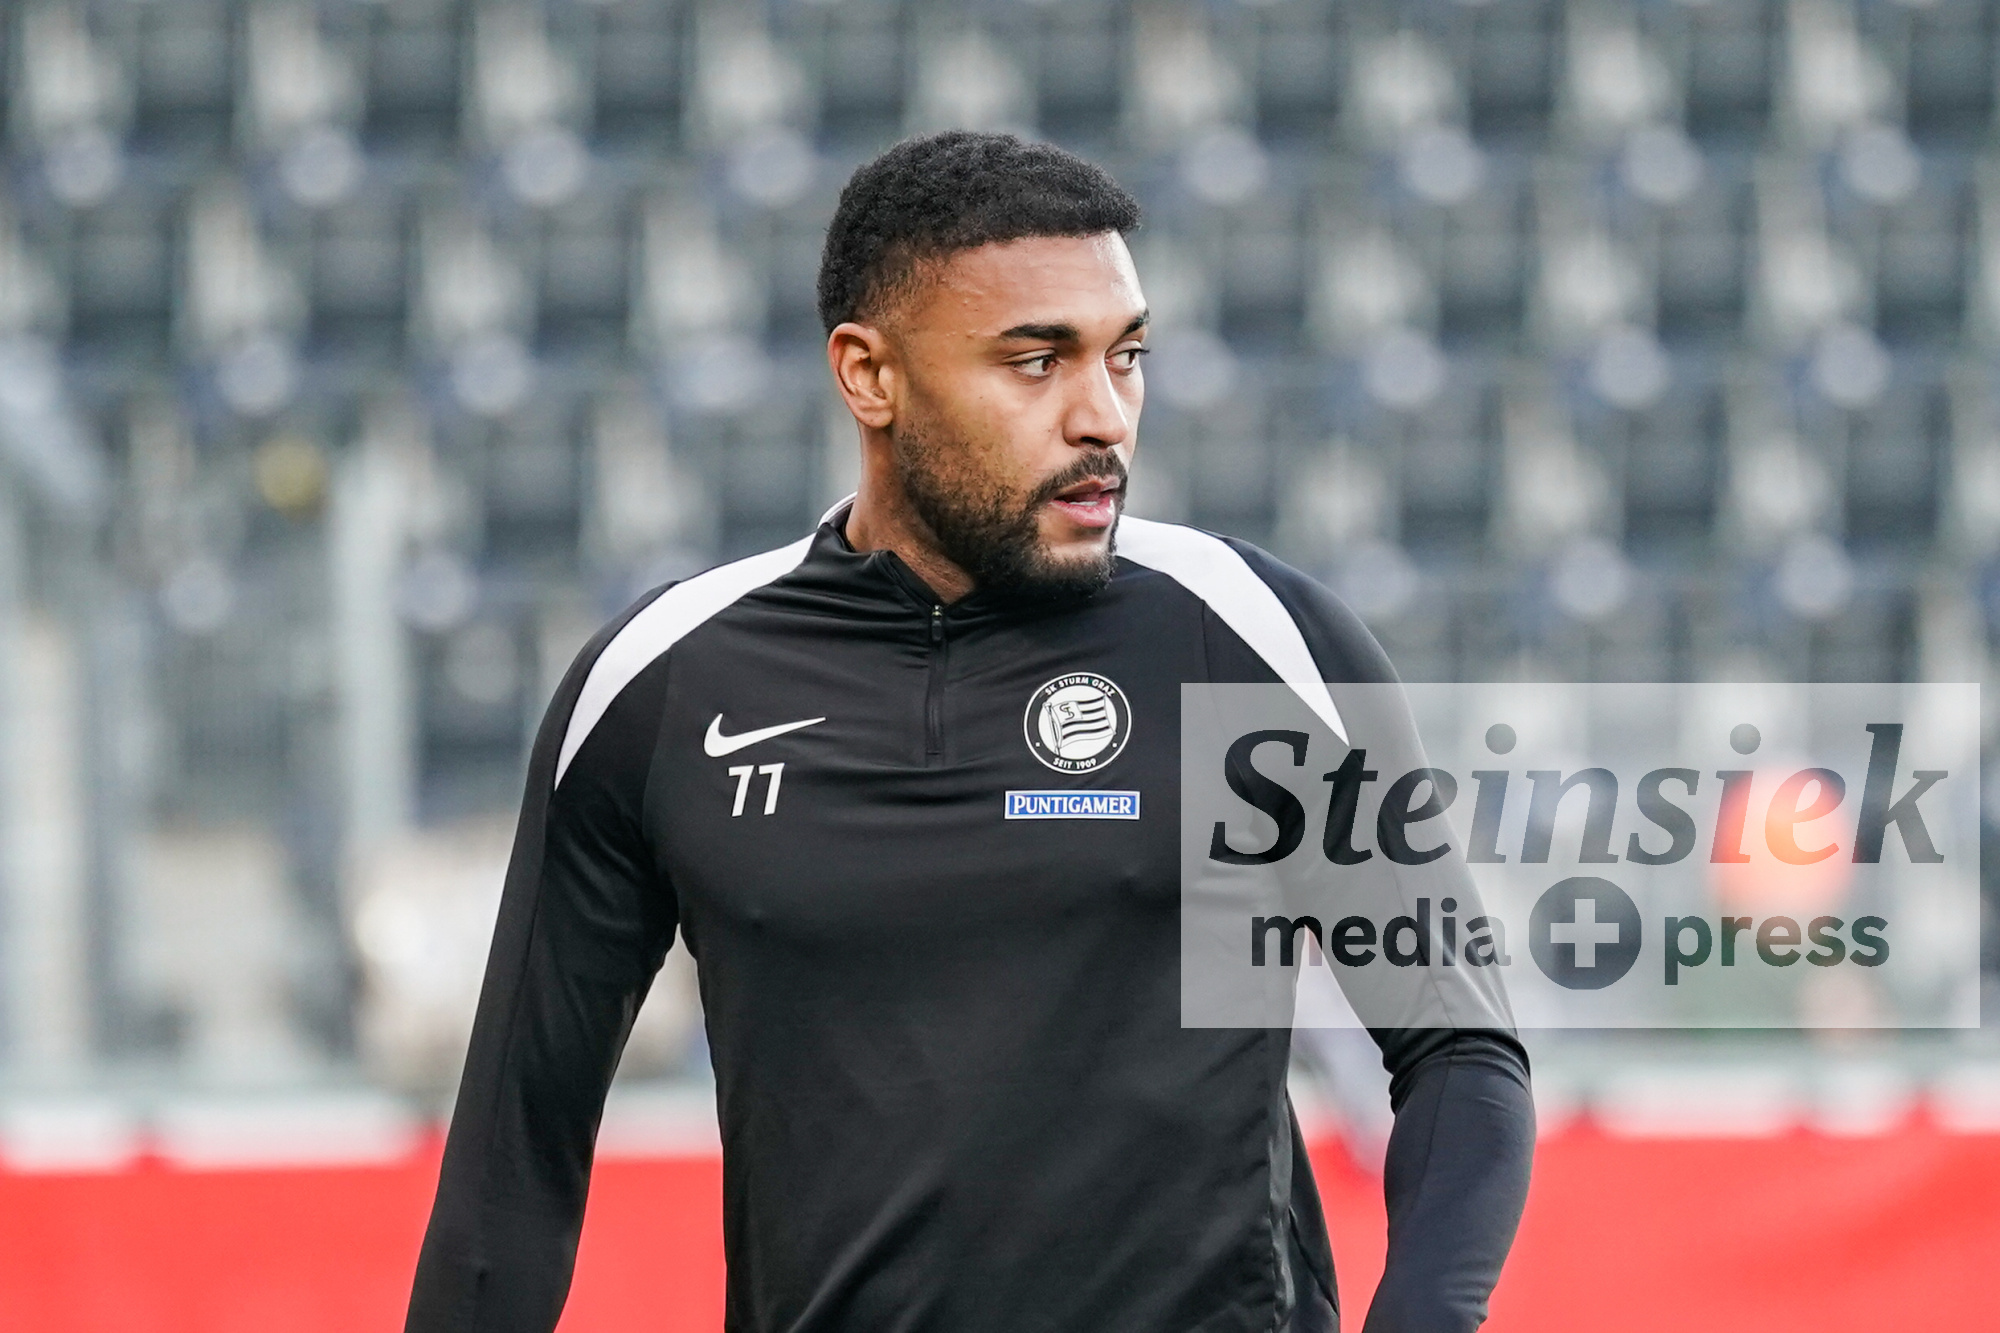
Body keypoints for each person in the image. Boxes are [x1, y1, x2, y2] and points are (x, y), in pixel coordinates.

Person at [405, 130, 1532, 1333]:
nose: (1103, 417)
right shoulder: (661, 684)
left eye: (1126, 355)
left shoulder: (1255, 637)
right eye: (1036, 362)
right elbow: (512, 1159)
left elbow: (1459, 1049)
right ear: (868, 376)